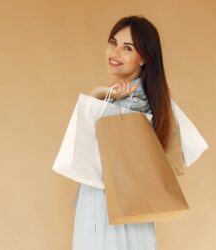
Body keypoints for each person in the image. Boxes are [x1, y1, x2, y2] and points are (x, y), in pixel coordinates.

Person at [72, 15, 175, 250]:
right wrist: (98, 94)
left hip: (108, 206)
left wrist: (96, 97)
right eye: (113, 42)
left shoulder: (132, 103)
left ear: (144, 58)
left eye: (127, 48)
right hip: (121, 207)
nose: (115, 52)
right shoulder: (133, 98)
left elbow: (85, 150)